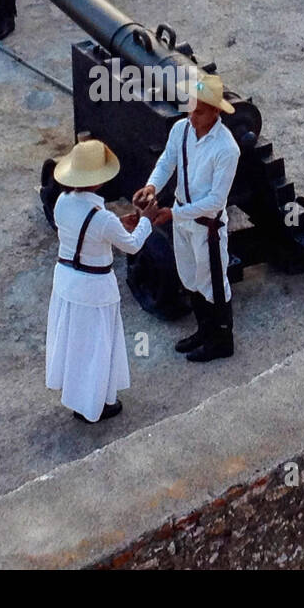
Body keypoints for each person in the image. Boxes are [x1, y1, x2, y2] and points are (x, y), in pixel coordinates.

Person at [46, 139, 171, 423]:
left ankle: (79, 398)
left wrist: (122, 223)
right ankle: (95, 405)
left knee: (75, 343)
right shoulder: (102, 219)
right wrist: (146, 221)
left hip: (67, 280)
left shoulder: (63, 202)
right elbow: (132, 246)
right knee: (97, 346)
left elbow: (90, 229)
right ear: (98, 182)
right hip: (94, 287)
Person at [133, 74, 240, 362]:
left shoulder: (227, 149)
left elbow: (216, 201)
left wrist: (174, 213)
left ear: (216, 112)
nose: (192, 116)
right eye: (191, 109)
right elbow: (167, 161)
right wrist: (152, 185)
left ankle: (221, 340)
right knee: (190, 277)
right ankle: (203, 331)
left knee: (214, 284)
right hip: (182, 220)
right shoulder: (181, 129)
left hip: (207, 227)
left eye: (199, 111)